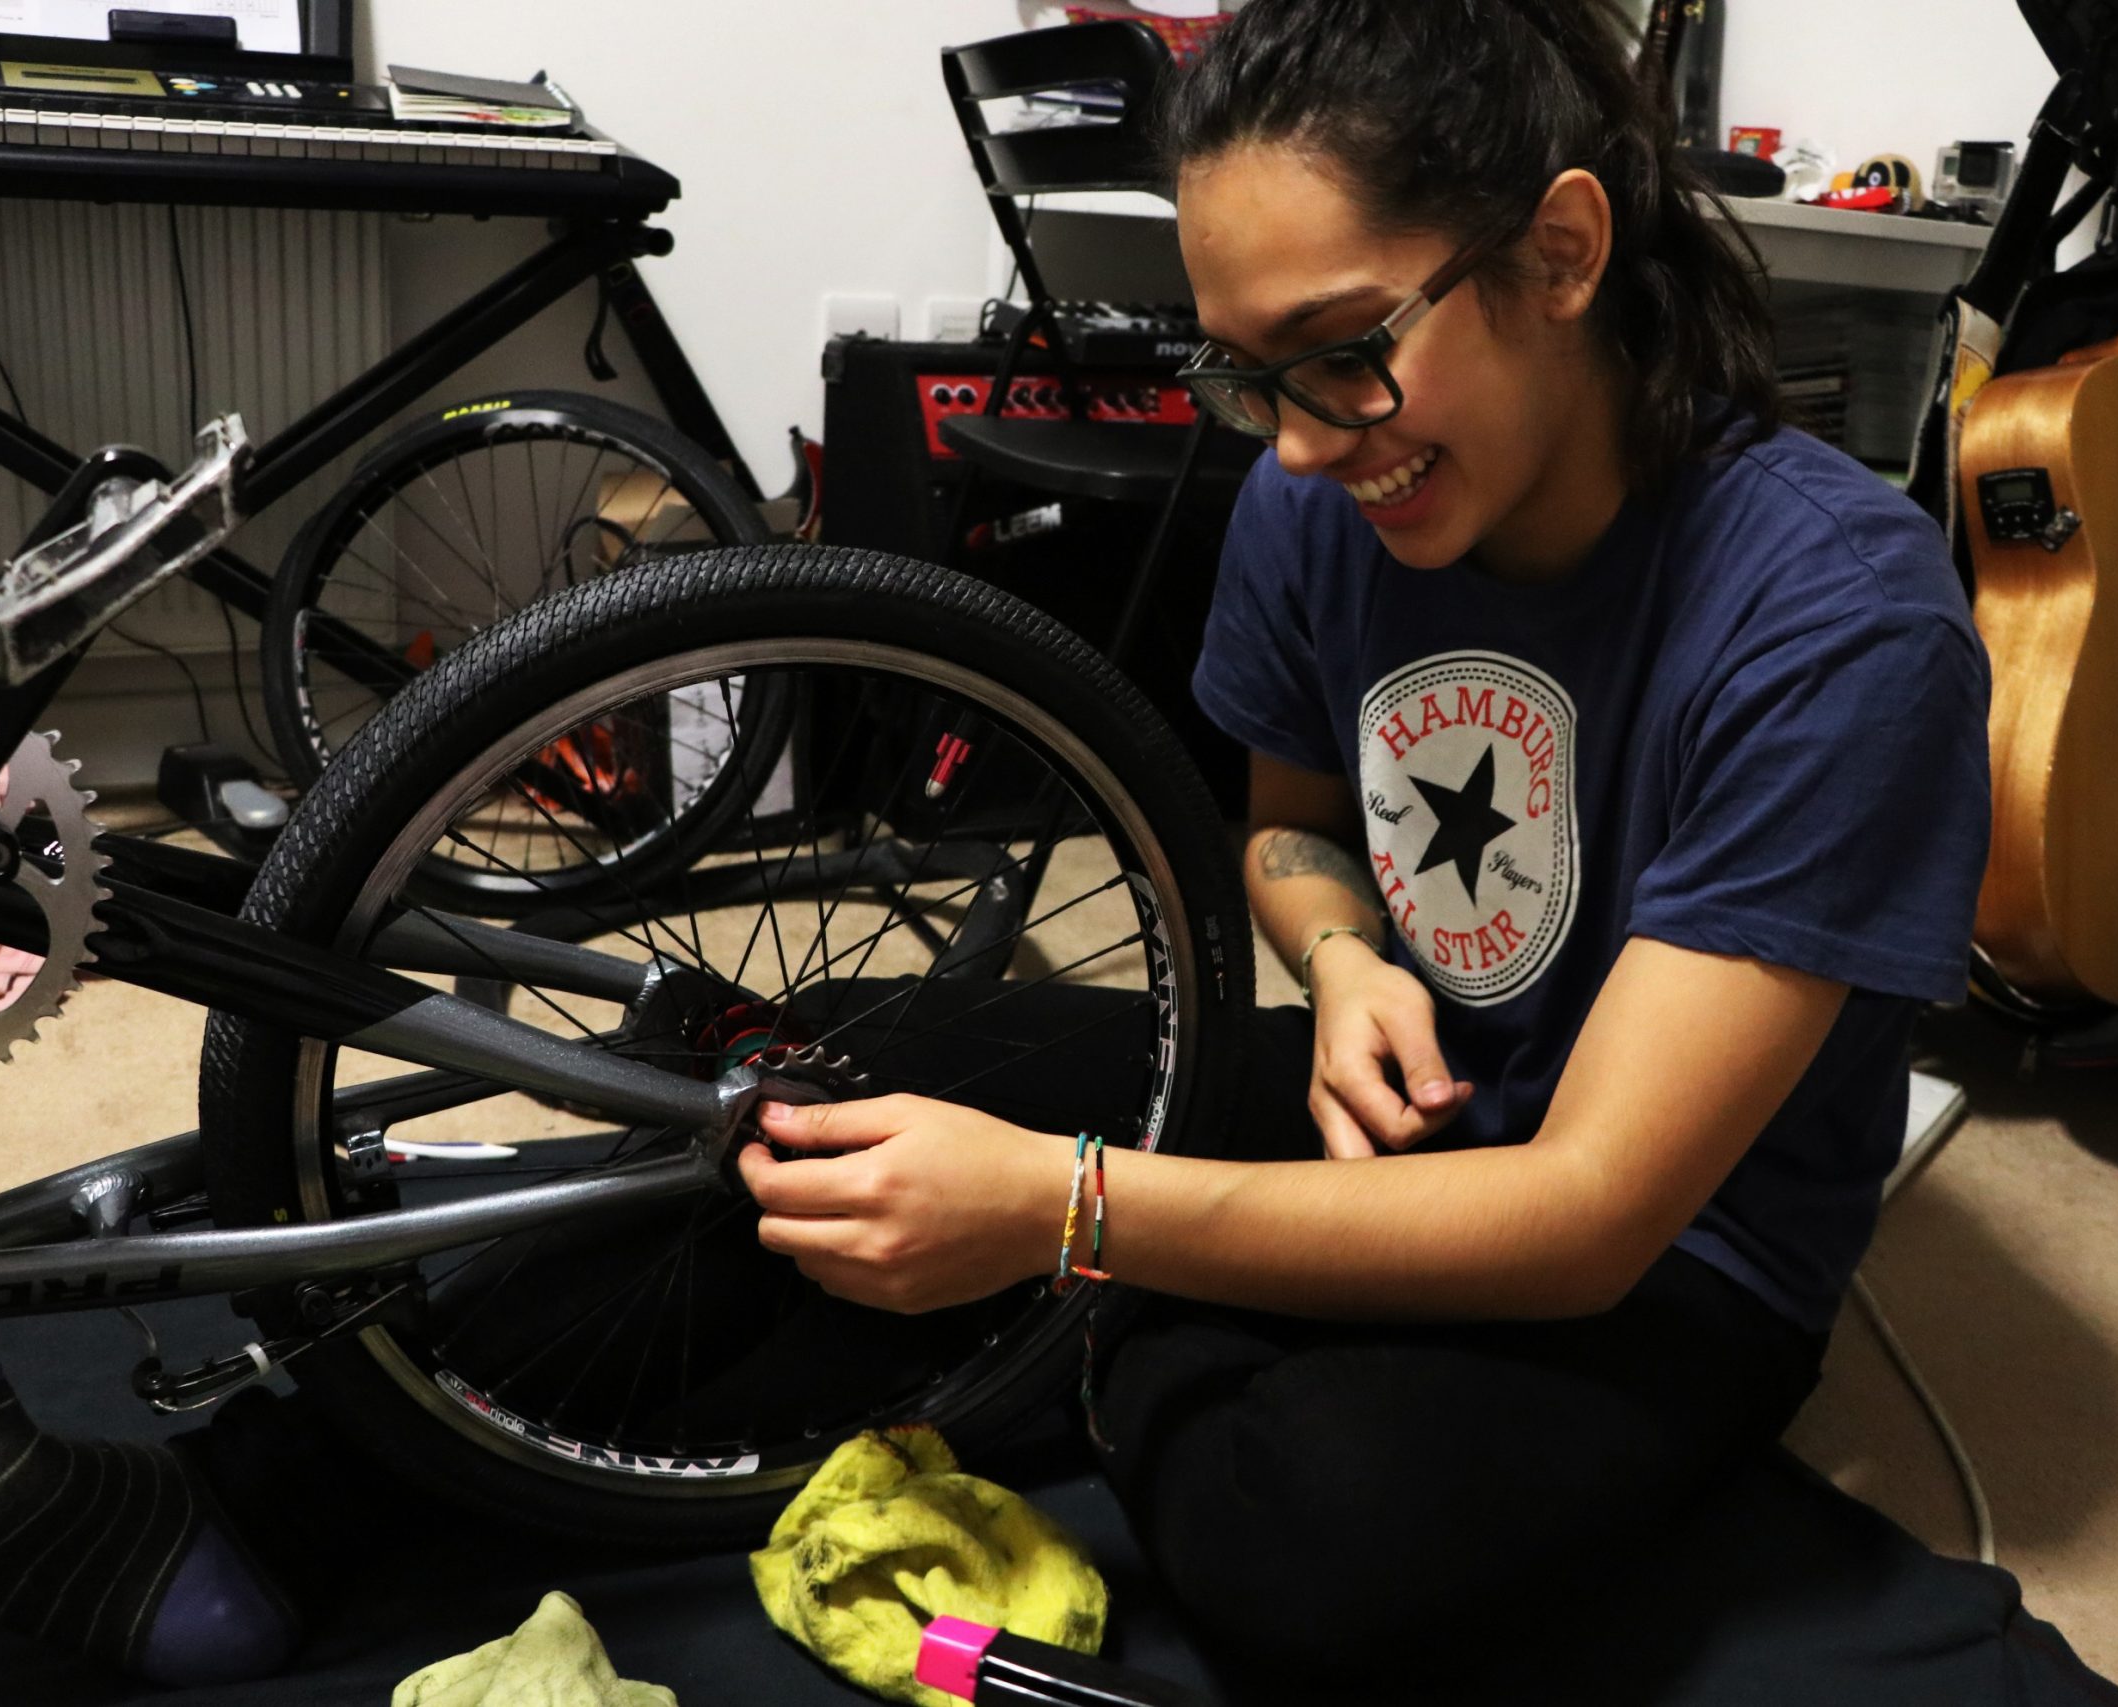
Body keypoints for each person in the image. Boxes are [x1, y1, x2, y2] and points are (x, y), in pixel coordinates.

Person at [734, 0, 1991, 1696]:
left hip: (1672, 1252)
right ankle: (1162, 1309)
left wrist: (1068, 1212)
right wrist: (1340, 965)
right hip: (1411, 1103)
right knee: (841, 1070)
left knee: (1313, 1538)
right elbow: (1295, 835)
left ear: (1560, 252)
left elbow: (1586, 1216)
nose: (1307, 443)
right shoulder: (1311, 498)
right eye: (1246, 374)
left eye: (1341, 350)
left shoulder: (1842, 621)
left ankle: (1108, 1332)